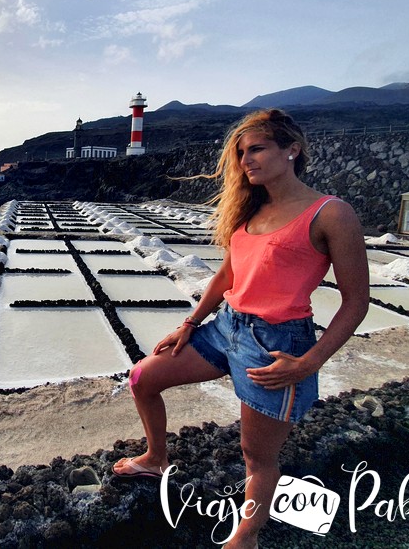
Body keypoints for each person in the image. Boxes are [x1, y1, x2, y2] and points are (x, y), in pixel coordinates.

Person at [112, 108, 369, 549]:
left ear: (293, 149)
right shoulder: (248, 212)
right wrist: (189, 324)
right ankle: (156, 457)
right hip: (225, 327)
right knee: (142, 377)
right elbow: (225, 278)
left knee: (257, 455)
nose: (246, 160)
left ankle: (246, 537)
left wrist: (309, 363)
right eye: (241, 153)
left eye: (257, 149)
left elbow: (356, 301)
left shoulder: (330, 213)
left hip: (276, 343)